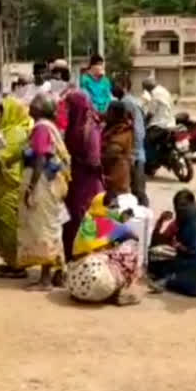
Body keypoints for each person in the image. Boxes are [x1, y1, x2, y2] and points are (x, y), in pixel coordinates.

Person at [17, 94, 72, 290]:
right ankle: (58, 274)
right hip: (52, 183)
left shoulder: (41, 127)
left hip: (42, 182)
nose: (30, 105)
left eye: (34, 103)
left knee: (43, 228)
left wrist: (31, 186)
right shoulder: (51, 127)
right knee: (53, 226)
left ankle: (45, 279)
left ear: (41, 108)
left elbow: (40, 157)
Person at [65, 193, 142, 306]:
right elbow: (132, 234)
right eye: (112, 207)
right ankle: (119, 291)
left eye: (116, 207)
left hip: (74, 281)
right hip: (94, 278)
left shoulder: (88, 219)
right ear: (101, 206)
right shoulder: (105, 223)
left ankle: (104, 293)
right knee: (129, 251)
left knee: (115, 248)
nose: (114, 210)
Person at [0, 97, 32, 278]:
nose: (0, 114)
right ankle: (10, 261)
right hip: (1, 183)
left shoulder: (17, 132)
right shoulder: (6, 130)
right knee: (4, 224)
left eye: (3, 110)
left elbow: (4, 155)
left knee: (10, 225)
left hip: (10, 184)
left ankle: (17, 266)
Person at [148, 190, 196, 297]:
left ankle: (168, 280)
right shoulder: (186, 219)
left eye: (183, 206)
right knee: (156, 254)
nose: (181, 210)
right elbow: (160, 239)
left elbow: (193, 252)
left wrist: (178, 246)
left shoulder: (194, 223)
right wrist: (160, 222)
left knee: (189, 284)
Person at [63, 90, 105, 262]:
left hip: (85, 182)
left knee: (83, 217)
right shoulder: (77, 125)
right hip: (77, 180)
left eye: (69, 106)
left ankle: (83, 257)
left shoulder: (89, 129)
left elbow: (94, 161)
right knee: (75, 218)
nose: (66, 110)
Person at [112, 80, 148, 206]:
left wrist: (132, 151)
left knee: (136, 191)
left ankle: (143, 216)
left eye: (118, 85)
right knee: (138, 191)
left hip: (134, 152)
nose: (115, 88)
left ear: (125, 87)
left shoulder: (126, 103)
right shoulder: (132, 101)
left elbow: (136, 128)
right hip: (137, 151)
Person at [102, 100, 134, 196]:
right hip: (109, 176)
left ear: (116, 114)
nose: (107, 114)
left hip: (117, 178)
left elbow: (113, 151)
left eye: (109, 112)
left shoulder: (123, 130)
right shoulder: (110, 128)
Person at [142, 78, 175, 164]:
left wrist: (144, 122)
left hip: (160, 124)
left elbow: (151, 113)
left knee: (145, 139)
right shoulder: (164, 90)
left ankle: (152, 161)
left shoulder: (155, 94)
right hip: (171, 122)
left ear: (148, 88)